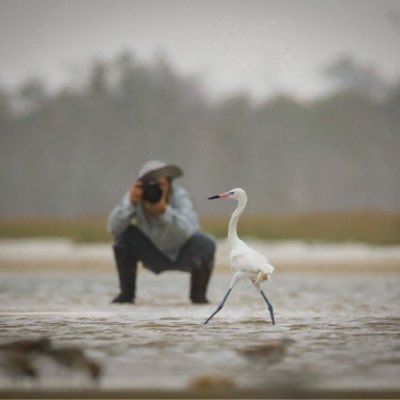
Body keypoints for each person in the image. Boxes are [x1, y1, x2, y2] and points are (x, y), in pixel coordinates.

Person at [107, 160, 216, 304]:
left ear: (169, 185)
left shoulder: (180, 196)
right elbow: (113, 230)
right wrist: (129, 205)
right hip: (151, 252)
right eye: (151, 185)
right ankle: (126, 296)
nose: (155, 190)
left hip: (183, 252)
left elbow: (187, 231)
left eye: (160, 185)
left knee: (206, 243)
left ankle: (199, 298)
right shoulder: (137, 197)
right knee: (124, 238)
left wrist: (164, 212)